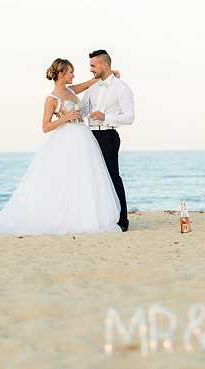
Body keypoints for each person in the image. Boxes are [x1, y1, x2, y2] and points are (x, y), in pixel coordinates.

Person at [0, 58, 122, 235]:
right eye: (71, 72)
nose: (74, 75)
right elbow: (45, 127)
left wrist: (109, 76)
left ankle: (83, 214)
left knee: (83, 177)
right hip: (67, 138)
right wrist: (64, 118)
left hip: (83, 138)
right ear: (62, 74)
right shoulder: (51, 99)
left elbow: (88, 84)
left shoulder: (71, 90)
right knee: (65, 177)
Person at [81, 49, 134, 232]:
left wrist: (106, 117)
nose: (91, 69)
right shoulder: (92, 88)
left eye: (93, 66)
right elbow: (82, 109)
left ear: (104, 65)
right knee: (93, 178)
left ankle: (122, 220)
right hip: (89, 136)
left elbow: (129, 117)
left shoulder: (122, 88)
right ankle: (100, 217)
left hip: (108, 136)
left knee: (112, 177)